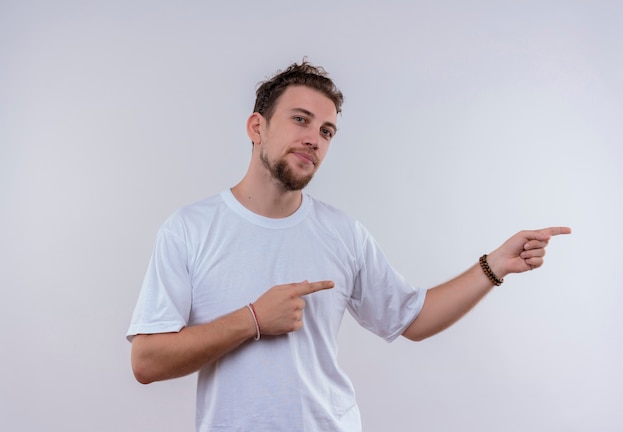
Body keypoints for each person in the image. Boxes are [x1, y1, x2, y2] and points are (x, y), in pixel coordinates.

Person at [127, 60, 571, 431]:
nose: (314, 139)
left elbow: (410, 318)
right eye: (300, 119)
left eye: (326, 131)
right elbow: (146, 361)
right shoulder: (189, 229)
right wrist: (254, 320)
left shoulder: (343, 233)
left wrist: (493, 266)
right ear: (256, 126)